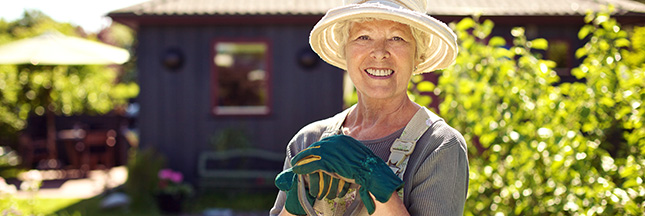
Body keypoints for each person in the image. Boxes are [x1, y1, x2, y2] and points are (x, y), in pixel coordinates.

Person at [270, 0, 469, 215]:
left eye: (396, 38)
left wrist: (373, 178)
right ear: (344, 52)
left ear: (417, 56)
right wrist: (294, 207)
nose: (379, 52)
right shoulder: (308, 141)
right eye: (363, 37)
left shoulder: (439, 145)